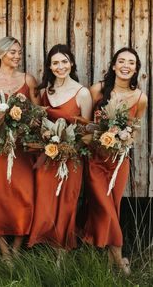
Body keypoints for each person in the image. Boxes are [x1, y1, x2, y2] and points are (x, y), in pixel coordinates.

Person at [82, 47, 147, 275]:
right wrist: (97, 136)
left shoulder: (140, 98)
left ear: (136, 68)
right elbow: (85, 124)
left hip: (119, 161)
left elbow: (136, 130)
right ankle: (120, 260)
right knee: (104, 205)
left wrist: (126, 138)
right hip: (96, 159)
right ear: (113, 66)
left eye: (131, 62)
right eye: (121, 61)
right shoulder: (97, 90)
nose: (125, 65)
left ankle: (111, 259)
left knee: (113, 207)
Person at [0, 36, 40, 262]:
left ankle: (16, 248)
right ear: (1, 54)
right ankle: (5, 252)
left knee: (25, 194)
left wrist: (25, 123)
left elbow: (37, 113)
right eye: (12, 52)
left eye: (19, 52)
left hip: (22, 147)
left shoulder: (28, 80)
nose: (16, 56)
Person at [28, 44, 92, 251]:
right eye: (55, 63)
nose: (60, 66)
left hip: (70, 157)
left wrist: (68, 147)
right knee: (45, 200)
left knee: (67, 201)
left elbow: (87, 131)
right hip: (47, 156)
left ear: (72, 63)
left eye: (64, 61)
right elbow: (38, 122)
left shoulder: (82, 93)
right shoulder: (44, 92)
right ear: (49, 66)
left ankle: (62, 250)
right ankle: (45, 243)